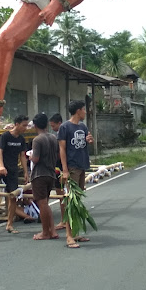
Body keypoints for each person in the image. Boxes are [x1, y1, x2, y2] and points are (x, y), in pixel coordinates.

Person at [0, 115, 31, 233]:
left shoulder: (21, 139)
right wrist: (2, 165)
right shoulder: (5, 136)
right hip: (2, 164)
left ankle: (9, 224)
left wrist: (26, 172)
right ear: (17, 124)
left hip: (13, 169)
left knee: (12, 196)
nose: (25, 128)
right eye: (24, 125)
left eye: (26, 125)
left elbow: (23, 156)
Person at [58, 99, 93, 249]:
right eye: (84, 110)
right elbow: (62, 150)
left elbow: (85, 144)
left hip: (82, 166)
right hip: (72, 168)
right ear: (78, 111)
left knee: (78, 201)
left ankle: (76, 232)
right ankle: (69, 236)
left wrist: (89, 141)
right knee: (71, 203)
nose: (85, 112)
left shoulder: (83, 127)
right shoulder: (65, 127)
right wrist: (65, 170)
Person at [30, 112, 60, 241]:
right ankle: (52, 230)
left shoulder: (37, 140)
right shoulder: (53, 138)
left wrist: (30, 156)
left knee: (42, 204)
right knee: (46, 204)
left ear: (35, 125)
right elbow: (58, 156)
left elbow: (35, 159)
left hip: (39, 175)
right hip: (51, 173)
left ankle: (45, 232)